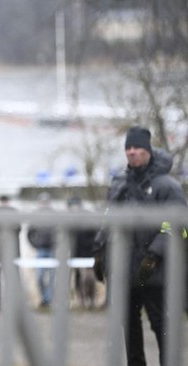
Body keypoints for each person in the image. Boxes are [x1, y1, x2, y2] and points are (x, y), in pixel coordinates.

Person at [93, 126, 187, 366]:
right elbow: (108, 219)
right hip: (124, 270)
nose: (132, 152)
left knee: (161, 324)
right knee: (129, 324)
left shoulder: (167, 186)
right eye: (129, 148)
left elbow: (174, 224)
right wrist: (100, 249)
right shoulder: (119, 185)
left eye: (137, 148)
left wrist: (155, 254)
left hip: (155, 272)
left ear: (148, 151)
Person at [67, 196, 98, 309]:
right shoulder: (70, 220)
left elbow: (94, 235)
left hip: (89, 254)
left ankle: (91, 300)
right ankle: (81, 300)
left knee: (89, 278)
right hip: (77, 254)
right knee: (79, 278)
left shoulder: (88, 218)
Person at [27, 191, 56, 308]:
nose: (44, 204)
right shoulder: (35, 215)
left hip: (52, 250)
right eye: (42, 202)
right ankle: (45, 299)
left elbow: (61, 232)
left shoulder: (55, 215)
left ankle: (50, 300)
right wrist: (36, 244)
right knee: (39, 276)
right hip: (40, 250)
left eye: (46, 202)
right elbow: (29, 233)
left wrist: (56, 244)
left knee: (52, 278)